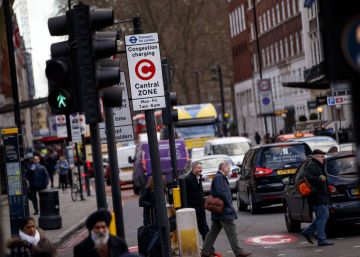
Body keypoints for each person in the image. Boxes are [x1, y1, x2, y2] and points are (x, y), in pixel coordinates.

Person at [201, 162, 251, 257]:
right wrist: (229, 203)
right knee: (232, 232)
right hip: (224, 210)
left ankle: (205, 251)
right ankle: (238, 252)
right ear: (223, 168)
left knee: (212, 232)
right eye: (228, 167)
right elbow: (221, 192)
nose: (229, 169)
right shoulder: (219, 178)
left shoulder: (220, 177)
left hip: (219, 211)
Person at [301, 149, 334, 247]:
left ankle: (308, 232)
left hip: (320, 196)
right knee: (322, 216)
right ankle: (321, 239)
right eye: (322, 156)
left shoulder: (318, 165)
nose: (324, 158)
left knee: (323, 216)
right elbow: (308, 177)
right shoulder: (312, 166)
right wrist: (319, 178)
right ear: (316, 157)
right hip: (316, 197)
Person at [185, 161, 210, 242]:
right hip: (192, 210)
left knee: (205, 230)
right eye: (199, 168)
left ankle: (208, 250)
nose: (200, 169)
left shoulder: (199, 178)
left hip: (200, 210)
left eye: (201, 168)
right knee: (193, 231)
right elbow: (185, 195)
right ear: (193, 168)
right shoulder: (188, 179)